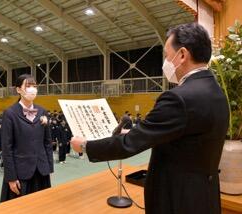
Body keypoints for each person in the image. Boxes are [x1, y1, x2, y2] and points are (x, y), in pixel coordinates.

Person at [71, 23, 229, 214]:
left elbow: (129, 144)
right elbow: (185, 136)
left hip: (177, 198)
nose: (165, 62)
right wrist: (136, 132)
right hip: (204, 194)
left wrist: (87, 145)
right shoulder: (216, 92)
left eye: (166, 55)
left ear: (182, 55)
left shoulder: (179, 97)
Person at [0, 74, 54, 202]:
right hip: (20, 173)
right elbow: (7, 148)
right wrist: (11, 178)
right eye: (28, 86)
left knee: (42, 206)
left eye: (34, 86)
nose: (32, 89)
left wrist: (49, 167)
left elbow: (47, 142)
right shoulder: (10, 114)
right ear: (19, 90)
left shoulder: (42, 111)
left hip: (41, 170)